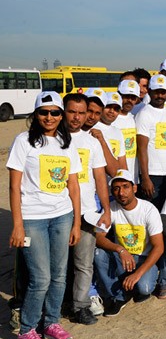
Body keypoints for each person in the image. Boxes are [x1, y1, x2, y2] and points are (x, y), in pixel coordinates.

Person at [8, 92, 82, 339]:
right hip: (33, 219)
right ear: (35, 114)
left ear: (61, 116)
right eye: (43, 112)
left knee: (60, 276)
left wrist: (76, 223)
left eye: (54, 112)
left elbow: (73, 186)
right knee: (40, 278)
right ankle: (27, 329)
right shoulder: (23, 142)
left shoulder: (65, 142)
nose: (49, 117)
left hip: (62, 216)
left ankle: (51, 322)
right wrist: (18, 225)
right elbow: (14, 187)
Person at [63, 93, 112, 325]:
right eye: (72, 112)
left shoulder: (91, 141)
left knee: (84, 263)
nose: (77, 117)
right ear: (64, 111)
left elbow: (100, 178)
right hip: (59, 211)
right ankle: (56, 306)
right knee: (59, 264)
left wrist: (106, 209)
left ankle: (80, 306)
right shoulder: (54, 138)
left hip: (86, 211)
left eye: (81, 113)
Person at [94, 170, 166, 312]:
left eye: (125, 187)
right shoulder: (111, 208)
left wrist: (137, 274)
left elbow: (159, 247)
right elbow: (98, 237)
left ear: (134, 188)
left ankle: (145, 277)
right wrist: (120, 249)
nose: (121, 192)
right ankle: (117, 296)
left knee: (144, 289)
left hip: (143, 259)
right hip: (122, 257)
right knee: (98, 253)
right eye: (116, 188)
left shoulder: (148, 210)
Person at [135, 74, 166, 209]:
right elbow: (141, 148)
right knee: (151, 212)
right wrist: (146, 178)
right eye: (156, 92)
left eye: (163, 92)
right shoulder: (144, 114)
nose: (160, 96)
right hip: (153, 175)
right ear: (149, 91)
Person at [115, 79, 141, 176]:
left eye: (133, 98)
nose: (129, 101)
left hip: (132, 175)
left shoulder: (135, 119)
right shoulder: (110, 120)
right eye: (126, 97)